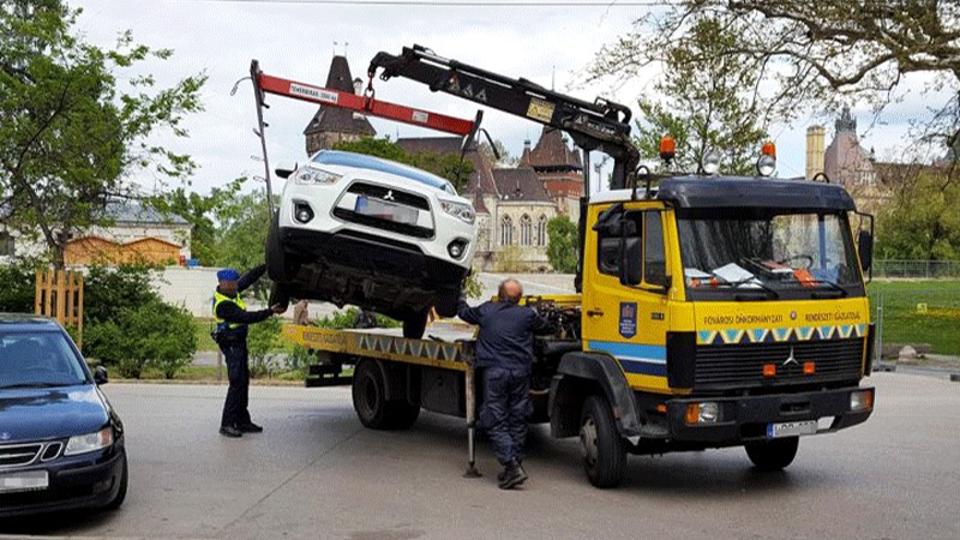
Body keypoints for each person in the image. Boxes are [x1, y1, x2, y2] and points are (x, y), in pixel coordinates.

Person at [457, 278, 551, 489]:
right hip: (520, 373)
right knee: (517, 418)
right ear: (519, 298)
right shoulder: (527, 315)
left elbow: (464, 313)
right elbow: (547, 327)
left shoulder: (487, 311)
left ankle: (511, 466)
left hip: (495, 373)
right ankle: (514, 464)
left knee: (493, 418)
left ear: (499, 295)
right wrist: (538, 313)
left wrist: (460, 297)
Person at [212, 265, 285, 438]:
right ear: (224, 283)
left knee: (243, 382)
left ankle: (243, 421)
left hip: (238, 343)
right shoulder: (223, 304)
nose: (237, 284)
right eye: (233, 282)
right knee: (236, 383)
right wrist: (270, 312)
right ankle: (227, 424)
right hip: (231, 344)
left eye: (236, 281)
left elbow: (249, 278)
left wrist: (267, 265)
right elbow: (246, 318)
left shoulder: (232, 291)